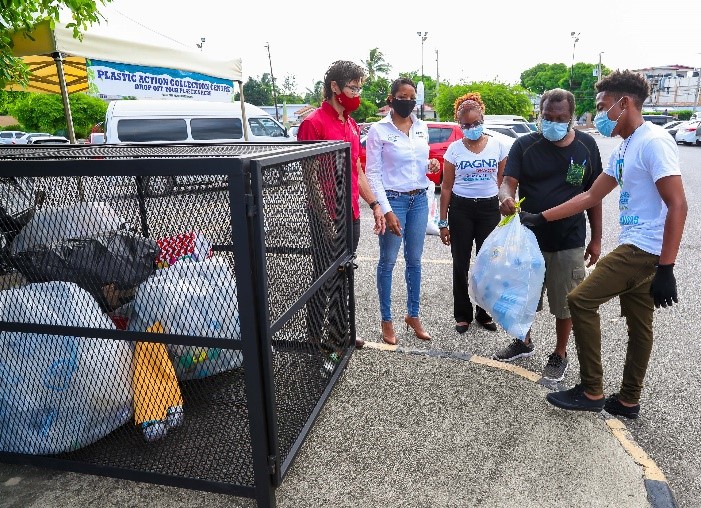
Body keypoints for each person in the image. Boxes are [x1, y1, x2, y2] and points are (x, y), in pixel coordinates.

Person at [522, 70, 688, 418]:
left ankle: (591, 389)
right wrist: (541, 218)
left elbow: (678, 204)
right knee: (639, 324)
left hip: (644, 247)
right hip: (637, 243)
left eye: (602, 106)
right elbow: (591, 195)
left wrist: (667, 267)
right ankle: (628, 401)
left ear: (624, 103)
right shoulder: (627, 145)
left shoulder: (654, 141)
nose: (598, 114)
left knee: (580, 300)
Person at [494, 88, 603, 382]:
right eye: (547, 117)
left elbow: (594, 196)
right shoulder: (524, 145)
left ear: (571, 117)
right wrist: (505, 196)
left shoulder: (586, 146)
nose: (553, 122)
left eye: (560, 118)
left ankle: (560, 353)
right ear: (539, 115)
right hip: (529, 237)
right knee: (525, 296)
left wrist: (596, 238)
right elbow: (508, 182)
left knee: (564, 301)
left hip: (568, 238)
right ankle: (523, 341)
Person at [297, 60, 385, 350]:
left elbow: (357, 170)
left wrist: (373, 203)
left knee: (344, 273)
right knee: (323, 276)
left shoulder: (350, 124)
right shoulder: (313, 123)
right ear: (335, 87)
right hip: (327, 214)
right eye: (352, 87)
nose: (357, 92)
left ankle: (339, 333)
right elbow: (309, 176)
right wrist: (325, 219)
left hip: (352, 213)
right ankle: (313, 338)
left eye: (360, 87)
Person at [365, 77, 440, 345]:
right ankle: (386, 319)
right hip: (393, 201)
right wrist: (385, 210)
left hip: (418, 199)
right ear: (391, 98)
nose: (407, 101)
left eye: (411, 97)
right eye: (402, 96)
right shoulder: (379, 130)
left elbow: (421, 163)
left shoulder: (421, 127)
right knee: (387, 262)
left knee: (415, 261)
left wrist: (430, 164)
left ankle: (413, 315)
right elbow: (372, 174)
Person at [438, 92, 508, 334]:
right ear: (460, 125)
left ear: (483, 119)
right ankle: (462, 314)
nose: (472, 128)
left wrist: (503, 205)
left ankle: (484, 312)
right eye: (466, 125)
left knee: (488, 263)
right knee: (461, 263)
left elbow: (501, 182)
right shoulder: (454, 150)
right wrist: (443, 222)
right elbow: (445, 187)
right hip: (461, 210)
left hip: (489, 210)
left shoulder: (498, 146)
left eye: (476, 123)